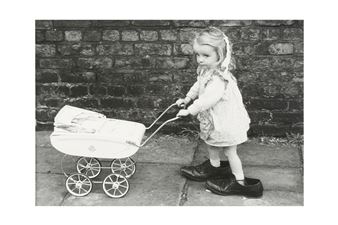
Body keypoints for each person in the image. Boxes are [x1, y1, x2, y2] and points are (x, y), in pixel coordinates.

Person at [176, 27, 263, 197]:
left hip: (226, 122)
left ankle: (240, 182)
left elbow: (208, 99)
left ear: (220, 55)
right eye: (197, 55)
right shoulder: (206, 71)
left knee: (230, 151)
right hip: (216, 120)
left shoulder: (218, 79)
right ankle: (214, 167)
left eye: (205, 55)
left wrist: (190, 110)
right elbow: (198, 85)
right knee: (211, 144)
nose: (200, 59)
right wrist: (186, 99)